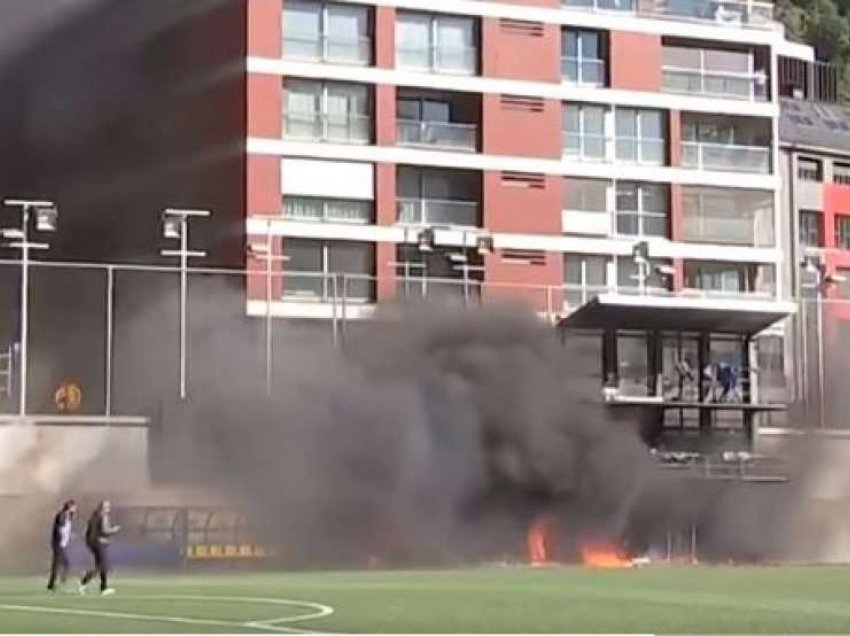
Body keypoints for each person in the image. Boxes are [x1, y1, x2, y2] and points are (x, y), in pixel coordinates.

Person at [79, 500, 121, 596]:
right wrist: (114, 530)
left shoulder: (94, 516)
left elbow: (90, 531)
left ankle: (90, 583)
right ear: (102, 507)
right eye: (107, 506)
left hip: (94, 543)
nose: (108, 508)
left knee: (101, 566)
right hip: (99, 544)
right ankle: (97, 585)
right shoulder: (102, 516)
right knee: (102, 566)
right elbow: (104, 531)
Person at [47, 499, 76, 592]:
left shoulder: (68, 516)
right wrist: (61, 539)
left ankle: (52, 584)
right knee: (62, 564)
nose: (75, 509)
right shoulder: (62, 515)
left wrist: (71, 535)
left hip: (62, 544)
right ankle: (58, 582)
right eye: (74, 507)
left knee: (58, 564)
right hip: (58, 544)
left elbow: (65, 530)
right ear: (70, 506)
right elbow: (60, 529)